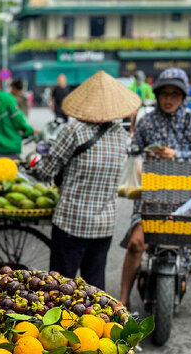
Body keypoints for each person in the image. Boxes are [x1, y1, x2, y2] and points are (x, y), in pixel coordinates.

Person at [116, 68, 191, 327]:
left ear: (183, 96)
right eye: (165, 93)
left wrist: (177, 155)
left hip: (186, 194)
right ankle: (123, 299)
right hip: (150, 192)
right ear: (158, 95)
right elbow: (133, 150)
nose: (169, 99)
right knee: (136, 243)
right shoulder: (147, 121)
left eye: (175, 94)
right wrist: (145, 153)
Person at [34, 71, 138, 290]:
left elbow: (47, 170)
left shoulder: (73, 130)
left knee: (60, 289)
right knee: (94, 290)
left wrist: (37, 168)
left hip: (72, 222)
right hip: (104, 226)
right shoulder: (121, 134)